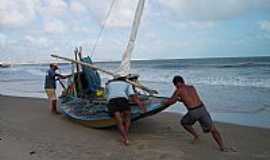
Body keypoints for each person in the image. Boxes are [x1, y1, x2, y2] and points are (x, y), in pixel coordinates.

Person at [162, 75, 226, 151]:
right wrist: (181, 99)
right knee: (213, 129)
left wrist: (163, 102)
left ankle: (196, 136)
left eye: (175, 85)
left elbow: (171, 101)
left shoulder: (178, 90)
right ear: (183, 81)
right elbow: (189, 98)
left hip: (193, 112)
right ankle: (222, 147)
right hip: (202, 109)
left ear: (177, 83)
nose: (175, 86)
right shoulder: (192, 87)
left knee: (184, 122)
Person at [106, 76, 147, 145]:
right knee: (128, 115)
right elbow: (133, 97)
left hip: (111, 101)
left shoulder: (109, 84)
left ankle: (125, 138)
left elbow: (107, 96)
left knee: (119, 121)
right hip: (122, 100)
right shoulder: (127, 83)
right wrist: (142, 107)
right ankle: (126, 131)